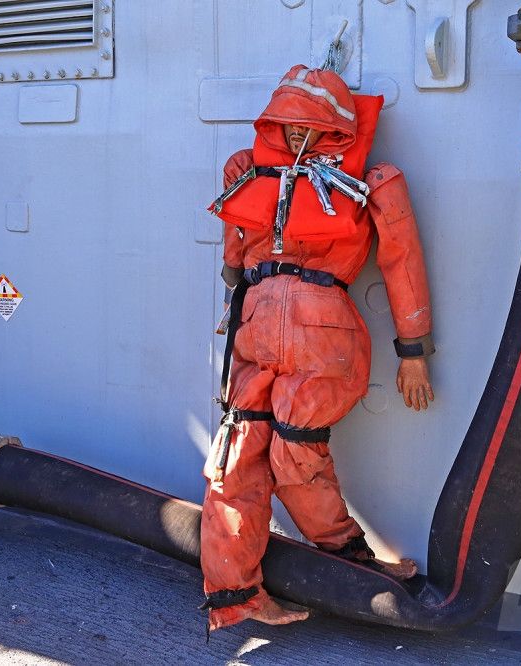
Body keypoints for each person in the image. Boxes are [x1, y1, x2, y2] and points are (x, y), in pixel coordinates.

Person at [201, 65, 436, 632]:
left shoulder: (373, 180)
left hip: (318, 334)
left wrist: (413, 352)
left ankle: (352, 566)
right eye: (289, 124)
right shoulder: (246, 168)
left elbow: (402, 261)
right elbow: (233, 257)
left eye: (310, 125)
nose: (297, 135)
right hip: (259, 329)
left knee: (293, 455)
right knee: (236, 460)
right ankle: (235, 596)